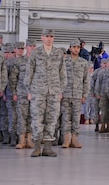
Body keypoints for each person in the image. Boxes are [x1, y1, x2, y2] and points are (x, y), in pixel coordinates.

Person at [26, 29, 66, 157]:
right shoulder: (36, 53)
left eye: (51, 36)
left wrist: (61, 90)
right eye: (46, 36)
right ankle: (37, 146)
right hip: (38, 91)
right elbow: (29, 72)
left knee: (52, 118)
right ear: (42, 37)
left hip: (54, 91)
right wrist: (29, 90)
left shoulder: (58, 53)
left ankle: (48, 147)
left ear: (53, 38)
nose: (49, 38)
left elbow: (63, 73)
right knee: (37, 118)